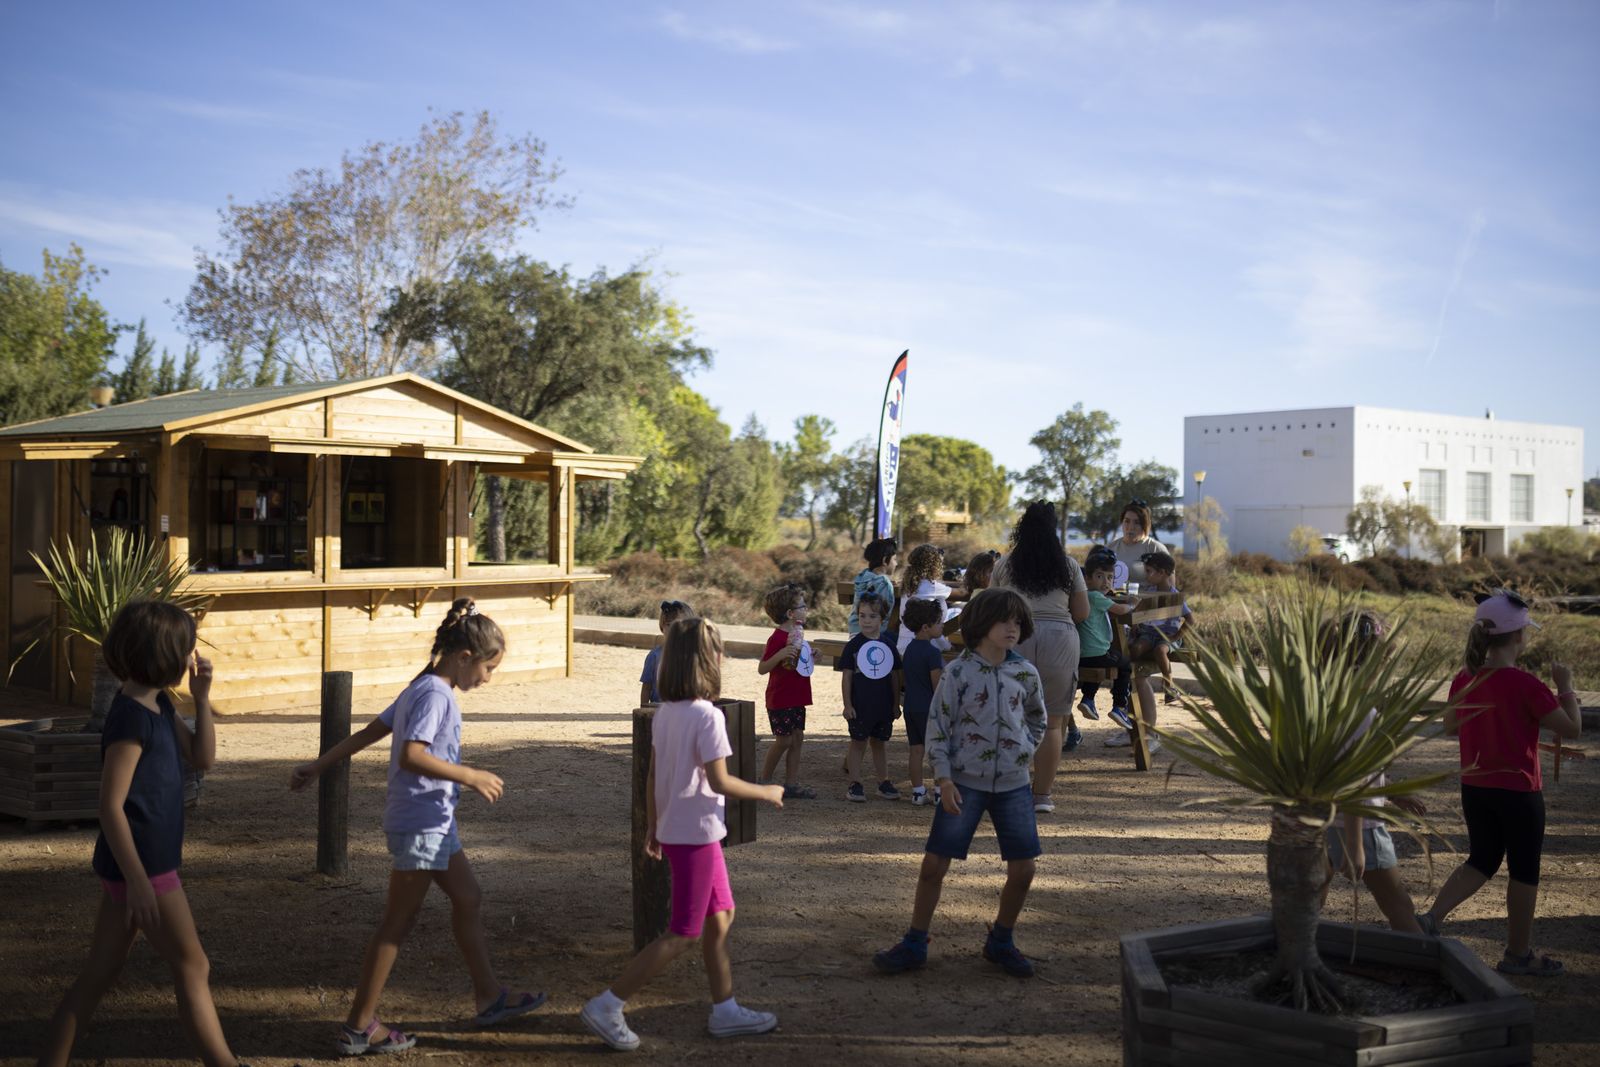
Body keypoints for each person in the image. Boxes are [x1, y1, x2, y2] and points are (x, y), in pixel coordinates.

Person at [289, 598, 544, 1054]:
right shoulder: (433, 694)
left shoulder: (422, 685)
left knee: (468, 898)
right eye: (488, 668)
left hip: (435, 821)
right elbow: (411, 753)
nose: (488, 678)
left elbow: (372, 731)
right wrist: (471, 774)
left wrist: (318, 765)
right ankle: (358, 1026)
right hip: (421, 823)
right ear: (464, 657)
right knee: (397, 923)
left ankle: (489, 997)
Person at [39, 601, 251, 1067]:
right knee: (194, 966)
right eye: (186, 651)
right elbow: (109, 806)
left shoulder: (155, 703)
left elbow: (203, 758)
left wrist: (200, 697)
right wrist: (137, 881)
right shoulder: (131, 718)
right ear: (163, 655)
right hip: (146, 870)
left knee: (98, 975)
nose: (191, 659)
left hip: (136, 868)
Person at [580, 618, 786, 1051]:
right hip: (696, 835)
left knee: (721, 916)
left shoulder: (666, 713)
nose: (724, 657)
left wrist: (654, 827)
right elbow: (721, 782)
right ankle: (608, 1004)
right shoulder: (707, 717)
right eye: (721, 651)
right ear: (708, 661)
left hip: (682, 831)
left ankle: (725, 1009)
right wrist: (765, 791)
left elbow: (655, 775)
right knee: (684, 932)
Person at [872, 588, 1048, 978]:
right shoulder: (958, 672)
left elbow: (1038, 719)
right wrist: (944, 777)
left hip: (1015, 786)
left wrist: (1023, 752)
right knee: (935, 864)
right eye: (1005, 620)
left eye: (1018, 621)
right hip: (963, 785)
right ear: (982, 624)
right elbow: (938, 726)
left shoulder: (1025, 672)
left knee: (1024, 870)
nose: (1013, 628)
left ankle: (1001, 940)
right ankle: (915, 942)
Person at [1419, 591, 1583, 976]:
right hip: (1519, 791)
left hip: (1476, 787)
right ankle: (1517, 954)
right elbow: (1573, 728)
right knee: (1524, 869)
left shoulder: (1465, 679)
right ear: (1519, 636)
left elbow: (1449, 727)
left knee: (1482, 858)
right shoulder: (1527, 685)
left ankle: (1429, 919)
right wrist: (1567, 685)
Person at [1315, 610, 1427, 933]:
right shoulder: (1362, 710)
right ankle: (1420, 965)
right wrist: (1356, 845)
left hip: (1322, 819)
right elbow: (1352, 778)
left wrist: (1390, 791)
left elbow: (1345, 764)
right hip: (1359, 826)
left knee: (1311, 903)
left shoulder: (1326, 699)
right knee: (1400, 908)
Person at [990, 502, 1088, 811]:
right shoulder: (1069, 566)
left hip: (1015, 636)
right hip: (1060, 641)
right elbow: (1082, 612)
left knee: (1010, 718)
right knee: (1053, 723)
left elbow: (990, 607)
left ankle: (1008, 789)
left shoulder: (1004, 565)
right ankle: (1042, 795)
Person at [837, 593, 904, 802]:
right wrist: (847, 704)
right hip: (860, 706)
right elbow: (847, 676)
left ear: (882, 619)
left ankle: (883, 782)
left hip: (883, 706)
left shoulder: (889, 646)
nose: (866, 621)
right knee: (858, 742)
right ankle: (855, 783)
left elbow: (895, 677)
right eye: (862, 616)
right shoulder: (853, 646)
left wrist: (895, 704)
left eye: (872, 616)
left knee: (879, 743)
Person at [1076, 549, 1143, 750]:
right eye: (1099, 576)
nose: (1106, 582)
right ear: (1087, 579)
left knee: (1104, 662)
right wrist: (1131, 603)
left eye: (1110, 577)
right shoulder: (1096, 597)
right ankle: (1119, 706)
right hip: (1096, 654)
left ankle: (1088, 699)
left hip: (1082, 656)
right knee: (1124, 665)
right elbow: (1120, 610)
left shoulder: (1084, 596)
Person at [757, 583, 816, 799]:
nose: (806, 609)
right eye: (802, 606)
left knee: (798, 738)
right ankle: (764, 780)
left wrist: (810, 655)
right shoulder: (778, 638)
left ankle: (791, 784)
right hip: (780, 697)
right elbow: (763, 668)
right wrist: (780, 654)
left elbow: (798, 663)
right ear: (791, 613)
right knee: (784, 740)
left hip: (798, 695)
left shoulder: (798, 634)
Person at [1127, 551, 1192, 705]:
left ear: (1162, 573)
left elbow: (1190, 619)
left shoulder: (1174, 596)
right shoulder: (1150, 593)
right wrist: (1136, 624)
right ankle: (1129, 680)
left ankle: (1169, 687)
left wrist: (1176, 637)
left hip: (1167, 636)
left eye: (1149, 571)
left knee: (1160, 650)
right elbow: (1138, 612)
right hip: (1149, 634)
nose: (1146, 575)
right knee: (1135, 649)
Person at [899, 598, 947, 807]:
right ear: (926, 628)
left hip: (911, 706)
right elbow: (938, 687)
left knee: (916, 750)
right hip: (930, 709)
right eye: (938, 623)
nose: (942, 626)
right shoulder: (933, 653)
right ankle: (938, 792)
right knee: (937, 751)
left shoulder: (909, 649)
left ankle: (918, 792)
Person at [896, 543, 953, 657]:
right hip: (925, 647)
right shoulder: (930, 586)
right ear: (933, 566)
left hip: (903, 645)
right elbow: (961, 593)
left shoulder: (908, 584)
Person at [1105, 500, 1171, 587]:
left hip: (1149, 600)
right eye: (1127, 521)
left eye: (1137, 523)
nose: (1131, 527)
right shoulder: (1110, 548)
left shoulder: (1156, 548)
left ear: (1145, 525)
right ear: (1121, 522)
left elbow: (1170, 588)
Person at [641, 600, 694, 705]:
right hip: (658, 709)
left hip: (684, 709)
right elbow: (646, 687)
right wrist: (643, 710)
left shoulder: (692, 656)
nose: (673, 630)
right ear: (662, 627)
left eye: (678, 625)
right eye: (669, 624)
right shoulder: (654, 656)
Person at [849, 537, 898, 636]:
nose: (896, 563)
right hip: (873, 633)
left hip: (855, 630)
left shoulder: (863, 576)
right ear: (885, 560)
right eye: (894, 559)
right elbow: (884, 613)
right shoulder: (883, 583)